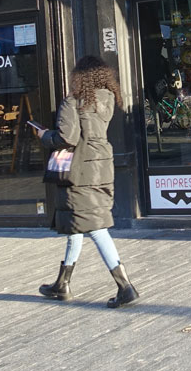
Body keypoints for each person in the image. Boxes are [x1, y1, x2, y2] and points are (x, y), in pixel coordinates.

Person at [30, 56, 139, 307]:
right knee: (78, 223)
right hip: (101, 166)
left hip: (80, 171)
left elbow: (67, 137)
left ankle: (125, 286)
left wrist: (45, 135)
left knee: (96, 227)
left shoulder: (73, 102)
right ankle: (62, 283)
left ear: (80, 77)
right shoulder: (107, 99)